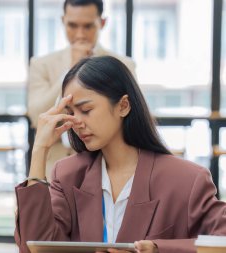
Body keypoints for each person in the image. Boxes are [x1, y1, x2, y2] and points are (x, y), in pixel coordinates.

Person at [15, 56, 226, 253]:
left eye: (86, 110)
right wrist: (39, 150)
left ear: (123, 106)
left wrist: (157, 248)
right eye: (70, 113)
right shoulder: (68, 174)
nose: (76, 122)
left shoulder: (186, 179)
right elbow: (35, 246)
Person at [28, 0, 136, 179]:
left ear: (102, 23)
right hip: (53, 168)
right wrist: (71, 71)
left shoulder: (124, 65)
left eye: (88, 26)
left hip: (108, 170)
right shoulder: (41, 65)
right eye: (72, 25)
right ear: (63, 21)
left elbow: (132, 119)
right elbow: (36, 116)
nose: (80, 34)